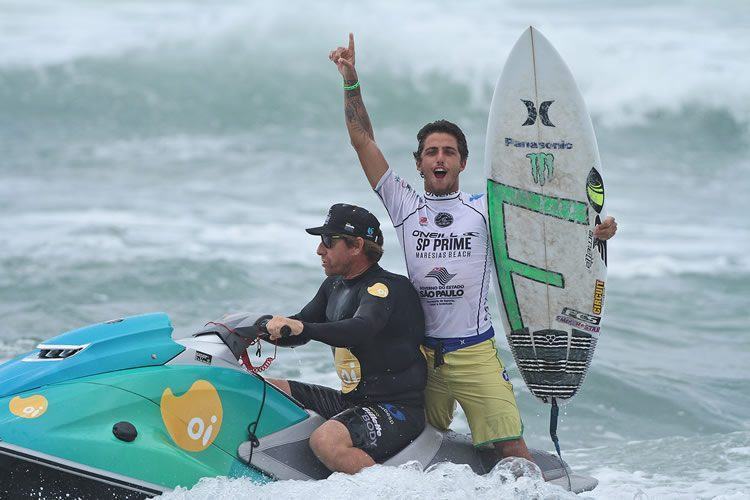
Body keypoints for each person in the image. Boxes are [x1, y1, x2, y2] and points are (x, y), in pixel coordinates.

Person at [328, 33, 618, 462]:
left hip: (474, 352)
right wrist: (351, 81)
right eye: (431, 152)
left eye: (448, 152)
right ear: (419, 162)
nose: (439, 158)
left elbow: (547, 234)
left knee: (511, 448)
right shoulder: (405, 206)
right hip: (419, 357)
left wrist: (598, 232)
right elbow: (363, 141)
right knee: (411, 446)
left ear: (463, 162)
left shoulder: (486, 211)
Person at [264, 203, 427, 475]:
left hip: (396, 409)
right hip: (351, 401)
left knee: (325, 441)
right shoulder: (334, 286)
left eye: (328, 241)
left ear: (356, 246)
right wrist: (250, 330)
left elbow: (360, 328)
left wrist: (303, 328)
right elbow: (298, 329)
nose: (320, 250)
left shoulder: (386, 288)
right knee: (266, 390)